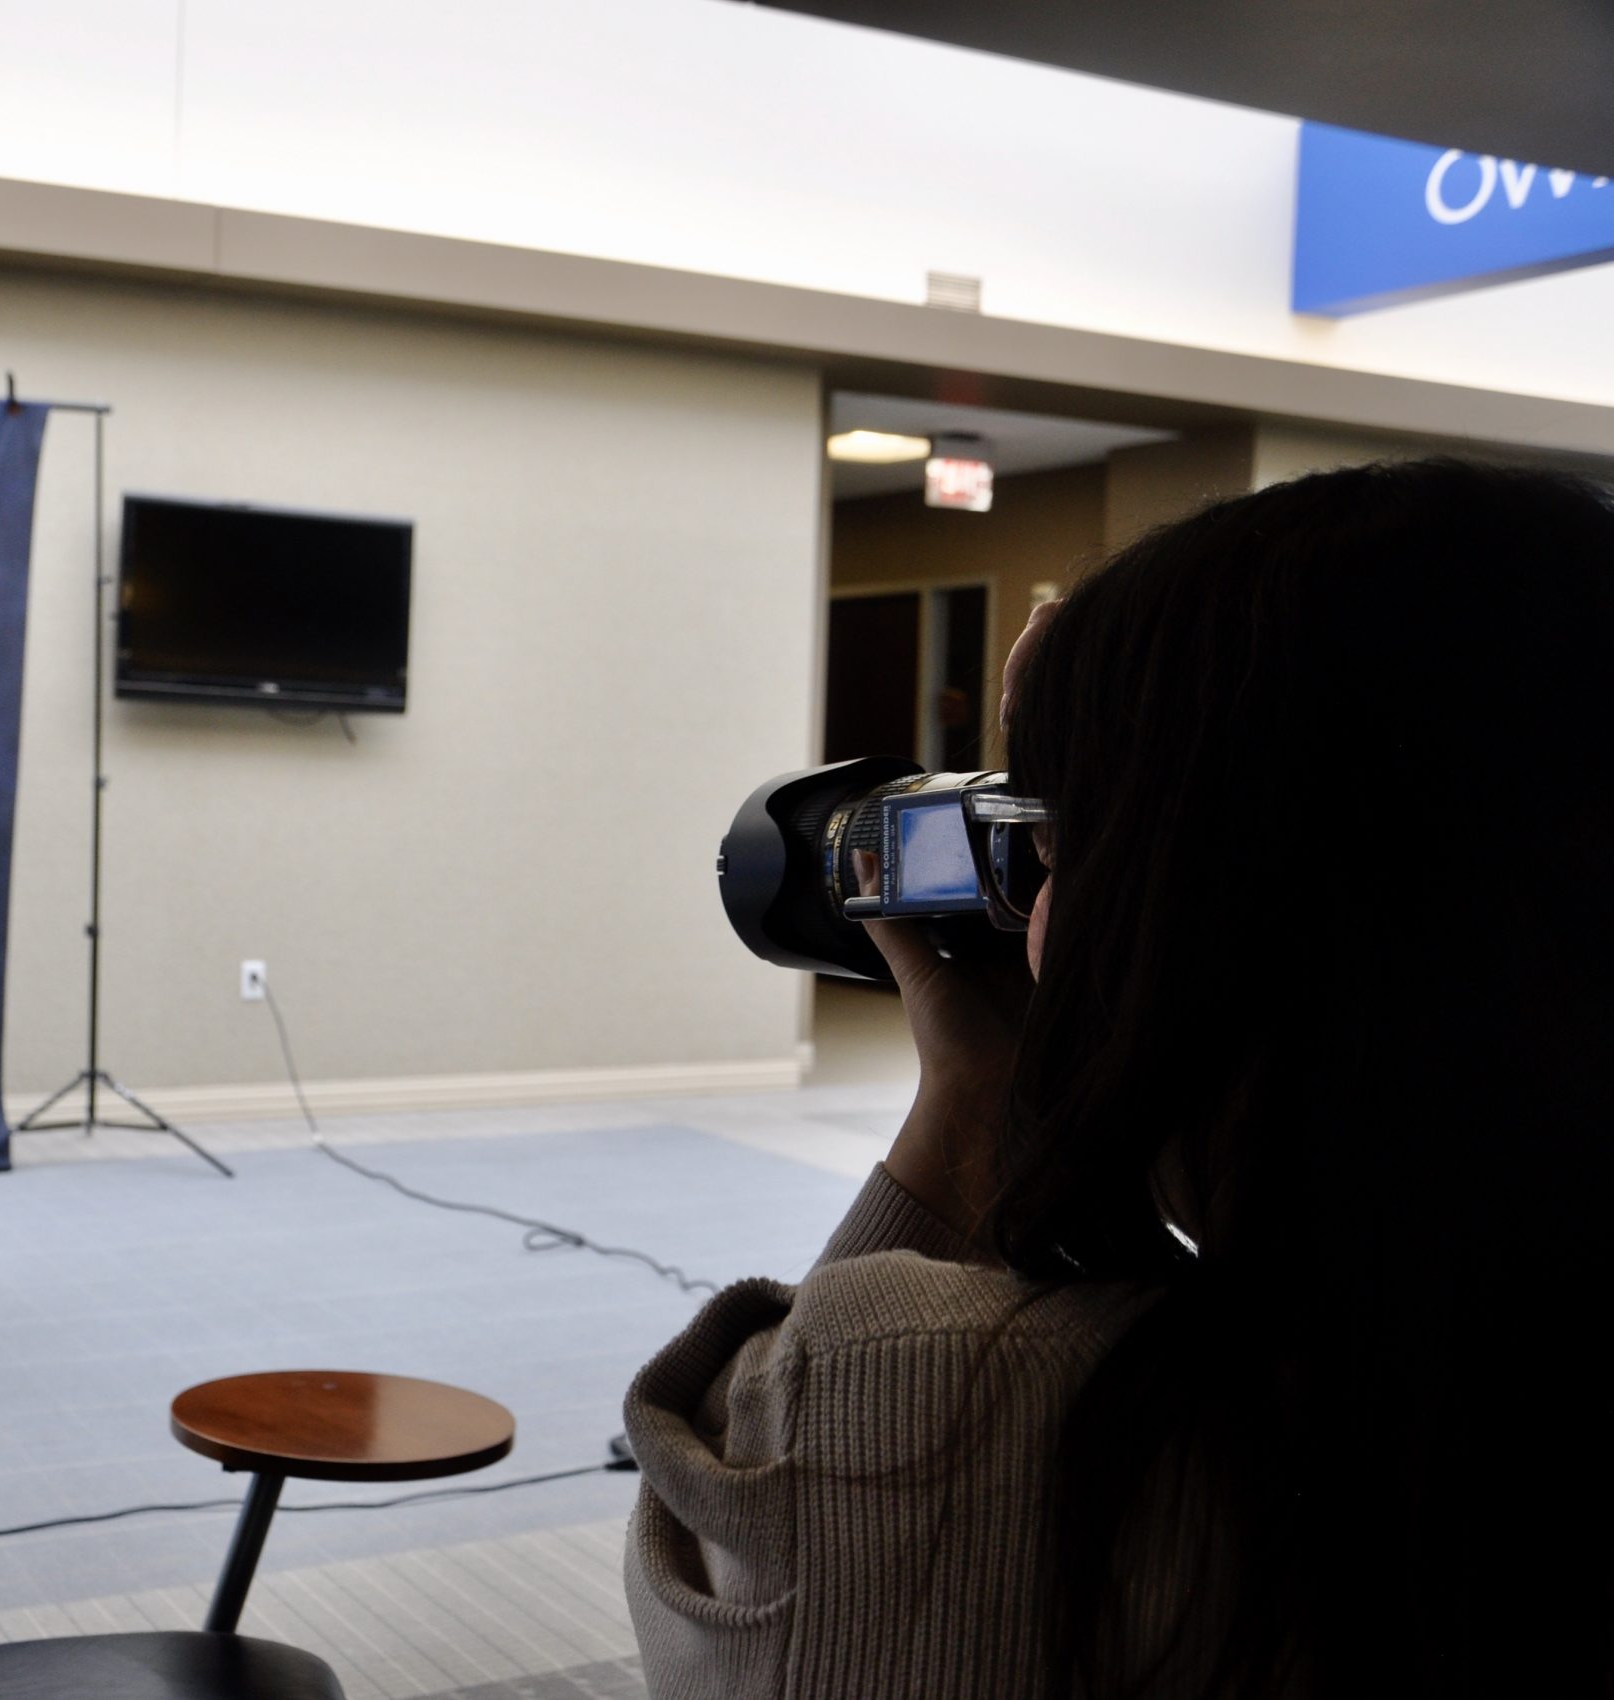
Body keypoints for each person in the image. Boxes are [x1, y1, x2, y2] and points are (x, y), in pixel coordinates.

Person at [624, 460, 1613, 1698]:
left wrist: (968, 1103)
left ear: (1200, 915)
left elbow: (730, 1566)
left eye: (1054, 848)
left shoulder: (925, 1410)